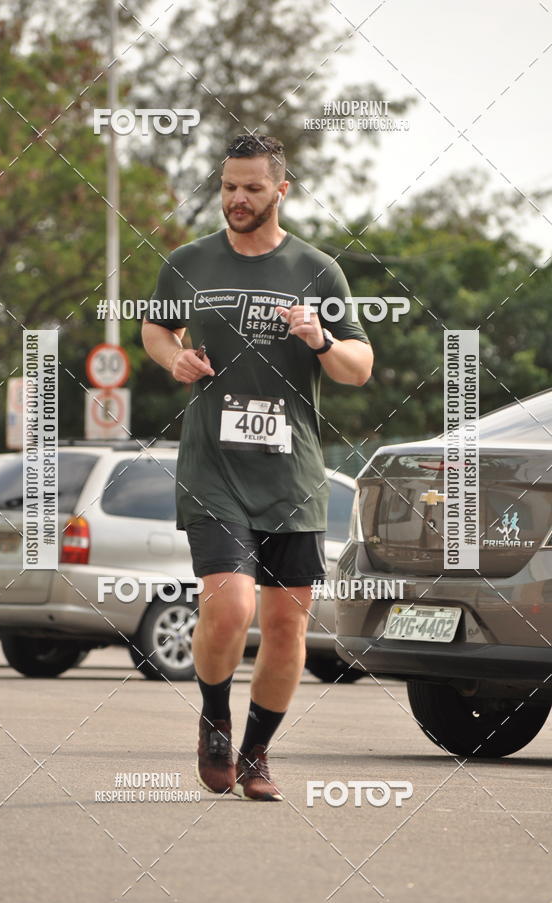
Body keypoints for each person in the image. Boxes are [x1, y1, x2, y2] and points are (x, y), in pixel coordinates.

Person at [141, 135, 373, 801]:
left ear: (280, 191)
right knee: (230, 602)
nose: (237, 199)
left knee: (284, 623)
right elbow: (158, 329)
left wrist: (320, 339)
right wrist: (173, 357)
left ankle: (256, 752)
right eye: (229, 187)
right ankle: (215, 717)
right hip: (213, 464)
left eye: (251, 187)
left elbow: (359, 366)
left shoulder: (318, 270)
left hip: (292, 473)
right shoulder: (189, 262)